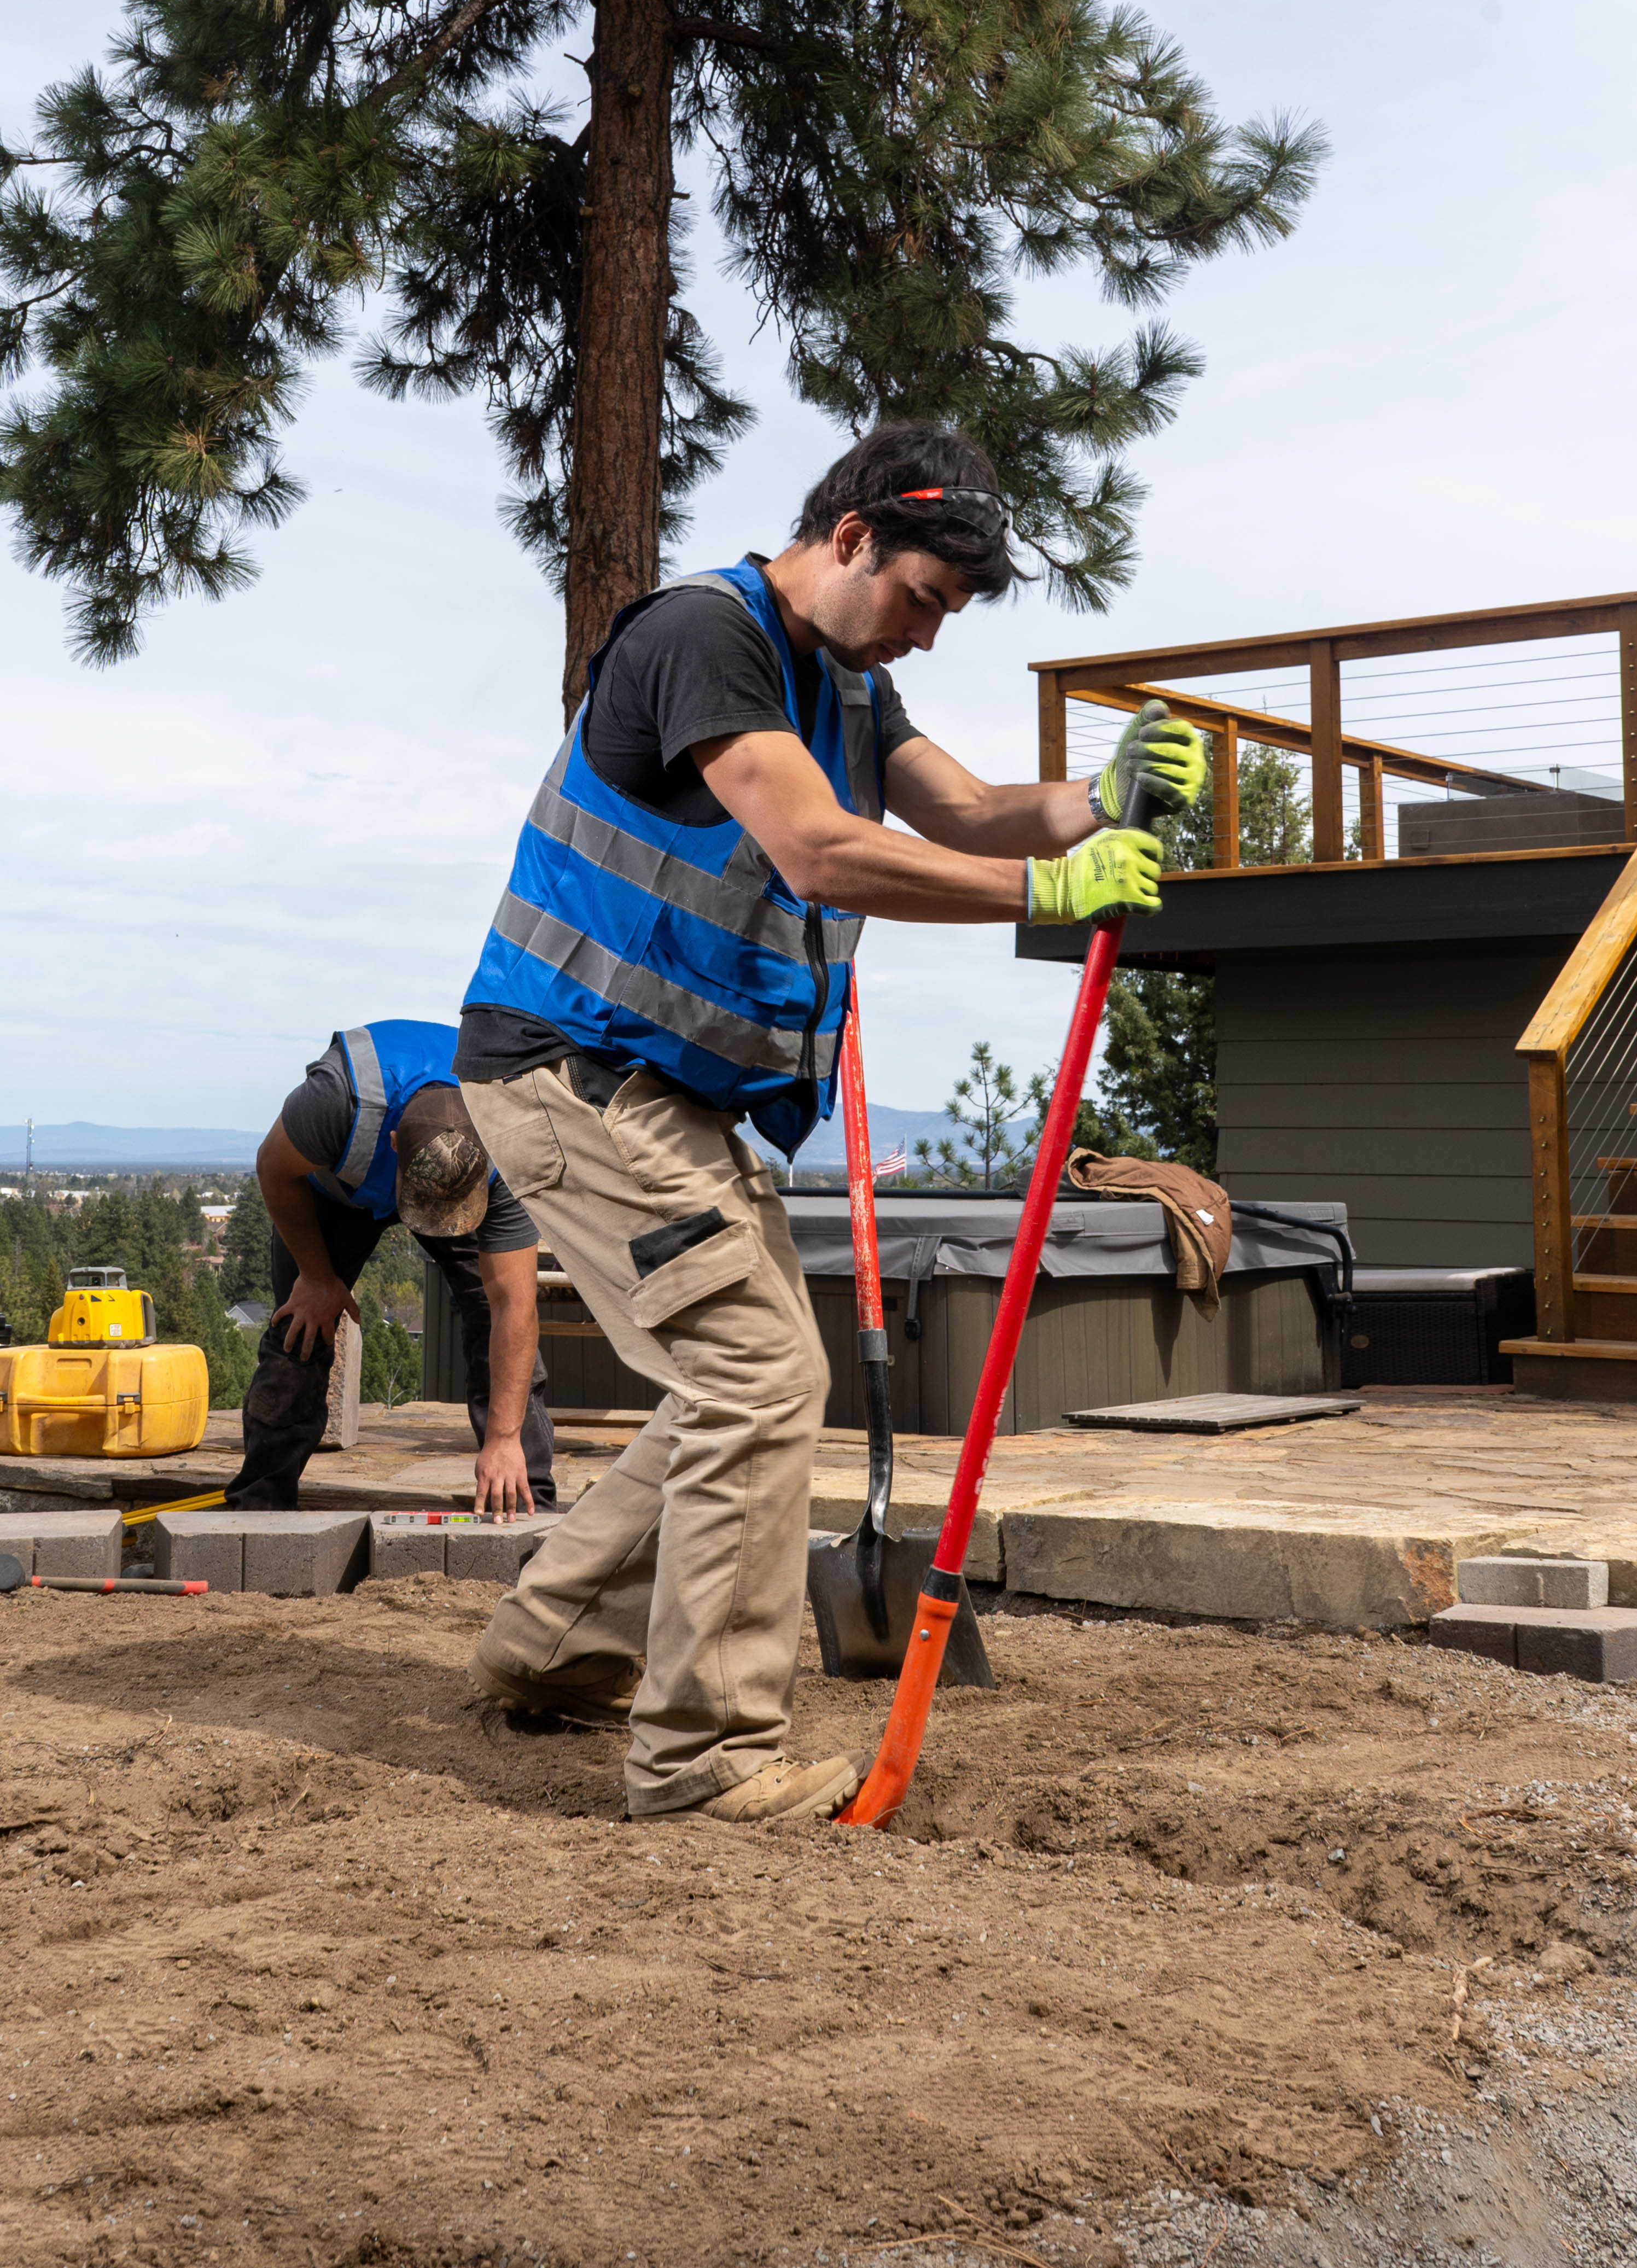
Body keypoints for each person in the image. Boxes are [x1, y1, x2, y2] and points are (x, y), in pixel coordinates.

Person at [453, 423, 1205, 1824]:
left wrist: (1094, 805)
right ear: (850, 535)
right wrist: (1050, 894)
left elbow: (978, 808)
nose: (926, 634)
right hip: (570, 1067)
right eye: (923, 596)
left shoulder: (852, 688)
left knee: (744, 1379)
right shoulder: (703, 635)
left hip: (666, 1094)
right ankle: (702, 1759)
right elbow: (814, 845)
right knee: (757, 1374)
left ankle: (550, 1644)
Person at [225, 1020, 557, 1515]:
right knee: (300, 1330)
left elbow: (516, 1307)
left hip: (469, 1188)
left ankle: (526, 1498)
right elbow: (273, 1168)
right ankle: (260, 1506)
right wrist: (316, 1277)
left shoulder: (511, 1142)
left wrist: (504, 1435)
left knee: (496, 1324)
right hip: (334, 1196)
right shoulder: (332, 1102)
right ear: (395, 1142)